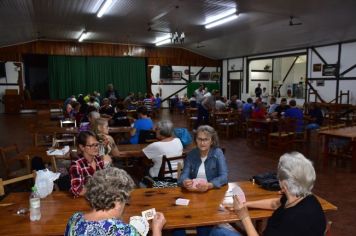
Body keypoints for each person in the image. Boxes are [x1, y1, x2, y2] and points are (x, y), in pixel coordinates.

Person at [210, 152, 326, 236]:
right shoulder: (306, 198)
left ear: (283, 183)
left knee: (218, 232)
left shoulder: (291, 221)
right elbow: (275, 204)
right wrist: (246, 204)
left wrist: (244, 217)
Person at [65, 167, 166, 236]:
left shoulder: (74, 219)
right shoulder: (124, 232)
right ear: (117, 202)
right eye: (125, 200)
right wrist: (156, 229)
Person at [176, 125, 228, 236]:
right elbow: (183, 176)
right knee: (177, 226)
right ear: (196, 140)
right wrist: (185, 182)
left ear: (212, 141)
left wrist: (209, 185)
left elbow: (224, 177)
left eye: (206, 139)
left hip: (211, 196)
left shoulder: (217, 153)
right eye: (199, 139)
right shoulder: (191, 154)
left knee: (203, 227)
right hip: (192, 196)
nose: (202, 143)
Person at [69, 131, 112, 197]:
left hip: (98, 197)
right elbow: (77, 190)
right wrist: (99, 187)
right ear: (82, 147)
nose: (96, 148)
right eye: (91, 145)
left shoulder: (98, 159)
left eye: (97, 145)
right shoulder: (76, 164)